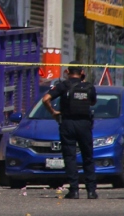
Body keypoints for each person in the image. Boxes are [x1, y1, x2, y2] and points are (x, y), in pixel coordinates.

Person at [42, 62, 98, 199]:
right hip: (84, 124)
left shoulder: (63, 85)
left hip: (67, 123)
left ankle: (74, 190)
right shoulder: (89, 87)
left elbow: (45, 99)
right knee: (88, 156)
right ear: (82, 72)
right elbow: (92, 102)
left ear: (67, 71)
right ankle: (91, 191)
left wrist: (53, 112)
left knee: (70, 157)